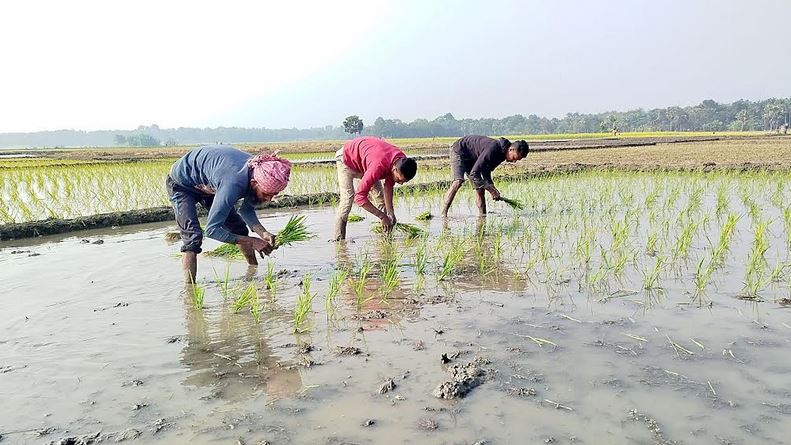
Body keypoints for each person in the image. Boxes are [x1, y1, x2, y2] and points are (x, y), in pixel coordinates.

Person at [167, 145, 291, 282]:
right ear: (254, 182)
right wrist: (253, 241)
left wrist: (263, 233)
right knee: (192, 237)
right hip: (181, 185)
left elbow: (246, 210)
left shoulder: (257, 171)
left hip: (210, 184)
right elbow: (212, 230)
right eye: (267, 194)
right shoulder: (233, 184)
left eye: (274, 195)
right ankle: (190, 292)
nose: (269, 199)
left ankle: (253, 271)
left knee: (238, 228)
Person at [334, 137, 417, 240]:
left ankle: (386, 238)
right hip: (346, 160)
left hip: (367, 160)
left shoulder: (401, 161)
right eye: (399, 180)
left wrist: (390, 213)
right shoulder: (378, 166)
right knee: (348, 199)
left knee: (381, 199)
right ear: (394, 169)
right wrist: (382, 216)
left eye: (403, 182)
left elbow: (388, 185)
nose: (400, 184)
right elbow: (359, 197)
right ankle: (339, 240)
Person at [441, 135, 529, 217]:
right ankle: (443, 214)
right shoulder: (493, 148)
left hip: (472, 158)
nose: (513, 162)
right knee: (458, 182)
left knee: (480, 189)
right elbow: (474, 173)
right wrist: (490, 189)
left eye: (516, 160)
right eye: (514, 158)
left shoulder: (502, 155)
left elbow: (486, 170)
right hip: (460, 150)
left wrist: (492, 187)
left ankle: (482, 217)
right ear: (511, 150)